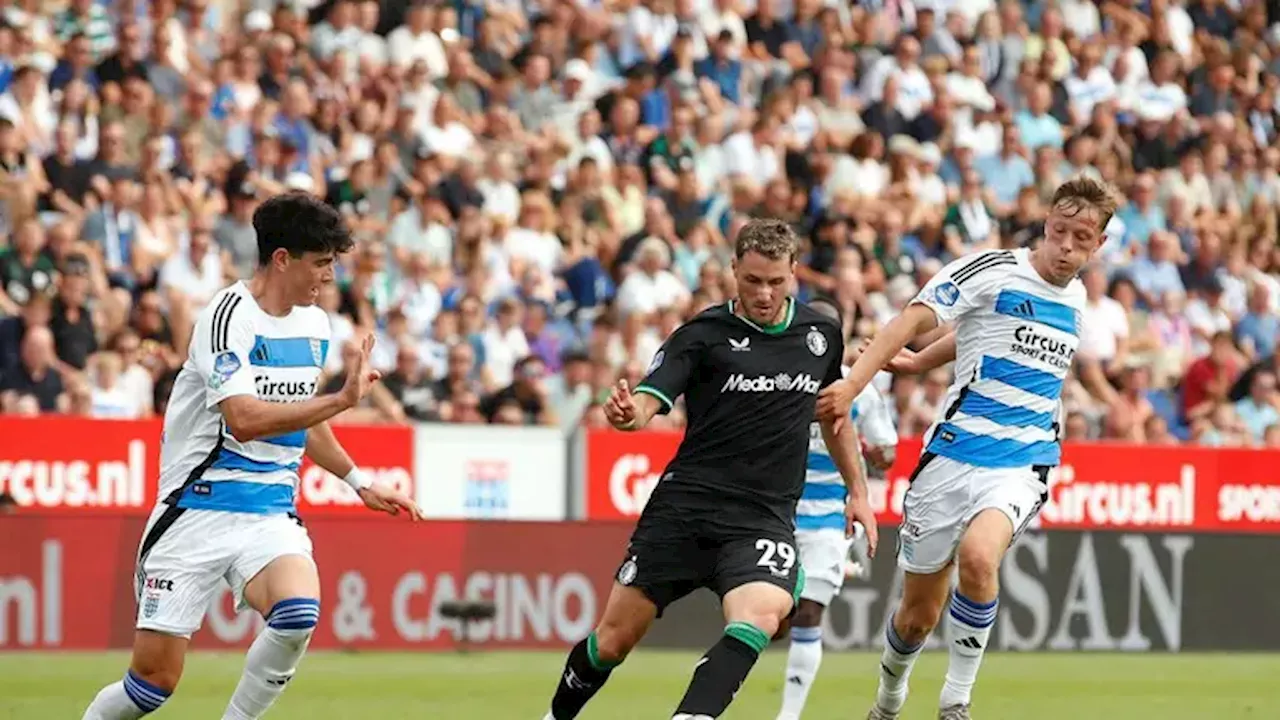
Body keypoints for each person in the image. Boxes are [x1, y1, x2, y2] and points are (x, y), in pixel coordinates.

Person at [81, 192, 425, 720]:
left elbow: (299, 418)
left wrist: (358, 481)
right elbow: (243, 417)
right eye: (321, 264)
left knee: (298, 613)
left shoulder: (315, 326)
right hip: (193, 510)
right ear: (283, 258)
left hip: (267, 512)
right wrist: (338, 400)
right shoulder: (226, 317)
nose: (329, 278)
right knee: (151, 686)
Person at [541, 218, 877, 720]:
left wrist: (859, 492)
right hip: (685, 509)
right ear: (734, 270)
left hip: (761, 517)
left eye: (776, 282)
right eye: (753, 281)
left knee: (762, 614)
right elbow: (647, 403)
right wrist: (627, 414)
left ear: (795, 273)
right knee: (612, 641)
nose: (764, 294)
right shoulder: (702, 335)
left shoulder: (821, 334)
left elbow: (833, 415)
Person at [817, 176, 1117, 720]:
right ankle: (888, 700)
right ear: (1045, 225)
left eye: (1081, 237)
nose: (1067, 246)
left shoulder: (1075, 299)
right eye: (1059, 232)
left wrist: (919, 360)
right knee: (916, 616)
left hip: (1024, 460)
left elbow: (996, 330)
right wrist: (859, 382)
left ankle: (956, 701)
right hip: (951, 458)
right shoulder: (994, 270)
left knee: (981, 558)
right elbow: (914, 316)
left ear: (1097, 245)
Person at [776, 294, 897, 720]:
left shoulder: (857, 388)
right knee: (771, 622)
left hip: (831, 516)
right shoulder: (777, 380)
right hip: (777, 511)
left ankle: (788, 716)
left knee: (810, 611)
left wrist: (874, 452)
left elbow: (887, 452)